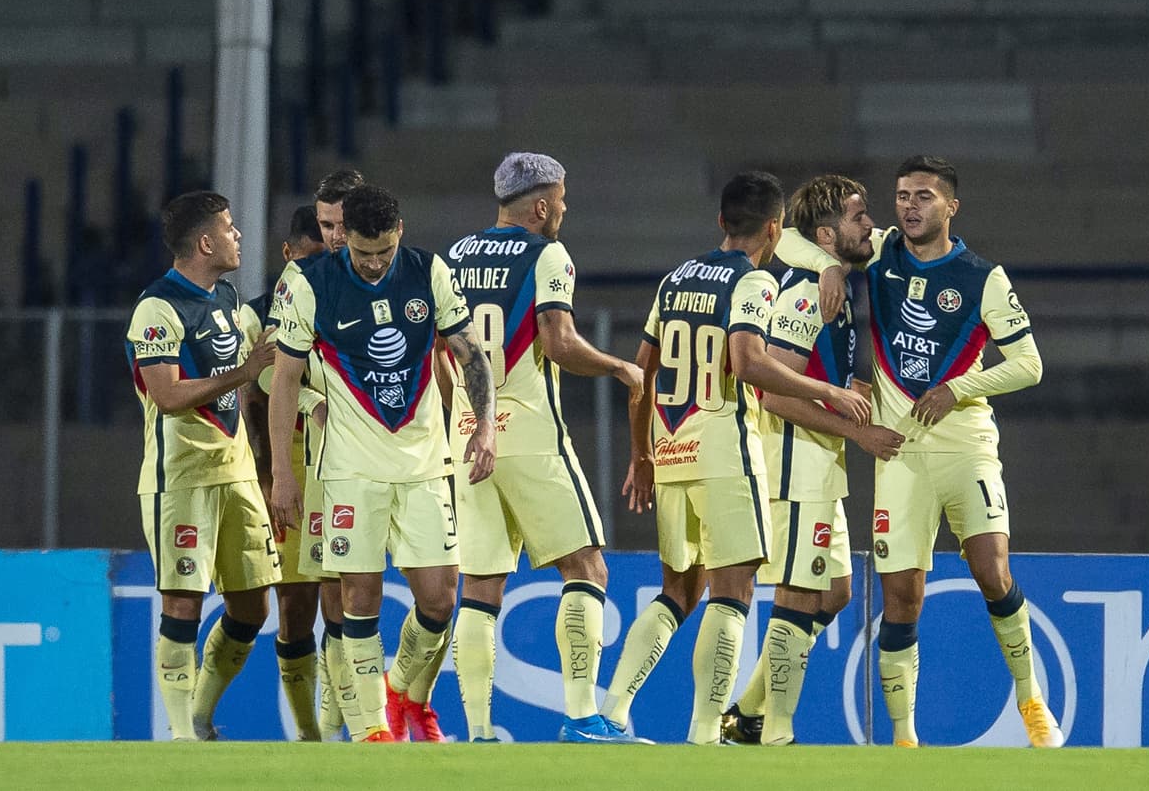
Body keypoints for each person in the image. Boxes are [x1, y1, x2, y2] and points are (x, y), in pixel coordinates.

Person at [775, 155, 1059, 747]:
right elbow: (792, 238)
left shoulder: (985, 277)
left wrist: (959, 387)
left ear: (951, 206)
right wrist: (829, 264)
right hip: (898, 453)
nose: (909, 205)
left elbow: (1029, 364)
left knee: (991, 569)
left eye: (924, 196)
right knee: (901, 597)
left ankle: (1031, 699)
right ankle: (905, 740)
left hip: (966, 446)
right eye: (902, 195)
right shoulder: (878, 253)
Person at [602, 172, 871, 744]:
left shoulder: (674, 280)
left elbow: (641, 371)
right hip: (724, 449)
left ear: (721, 222)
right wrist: (831, 392)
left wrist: (641, 453)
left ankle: (612, 712)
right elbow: (749, 364)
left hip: (672, 448)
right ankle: (706, 734)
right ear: (774, 229)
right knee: (733, 590)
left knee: (678, 590)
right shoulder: (753, 284)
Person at [267, 183, 498, 744]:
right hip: (351, 468)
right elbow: (284, 380)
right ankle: (374, 731)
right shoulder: (312, 284)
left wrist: (485, 425)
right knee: (357, 597)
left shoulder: (428, 273)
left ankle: (398, 686)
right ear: (346, 238)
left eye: (383, 253)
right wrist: (282, 472)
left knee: (441, 600)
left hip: (423, 462)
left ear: (400, 235)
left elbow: (471, 356)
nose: (373, 265)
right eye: (363, 253)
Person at [441, 152, 647, 744]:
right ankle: (582, 717)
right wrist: (617, 368)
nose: (563, 208)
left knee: (480, 586)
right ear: (538, 205)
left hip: (467, 435)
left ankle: (478, 733)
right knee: (586, 567)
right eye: (560, 199)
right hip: (529, 432)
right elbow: (557, 341)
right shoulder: (547, 254)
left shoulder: (454, 257)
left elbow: (441, 353)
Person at [720, 175, 905, 745]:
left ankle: (747, 714)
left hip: (819, 468)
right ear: (826, 233)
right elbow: (776, 392)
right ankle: (776, 732)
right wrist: (860, 433)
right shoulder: (806, 291)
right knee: (799, 592)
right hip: (794, 462)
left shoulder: (835, 284)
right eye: (857, 216)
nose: (869, 224)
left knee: (835, 594)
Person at [124, 190, 281, 741]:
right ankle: (181, 737)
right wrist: (244, 372)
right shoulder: (157, 308)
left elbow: (263, 376)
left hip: (237, 476)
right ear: (206, 241)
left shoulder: (231, 301)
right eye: (231, 228)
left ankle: (199, 712)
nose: (239, 236)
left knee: (253, 607)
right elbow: (167, 395)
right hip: (182, 478)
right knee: (183, 601)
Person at [240, 204, 329, 740]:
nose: (319, 266)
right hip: (288, 462)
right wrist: (271, 471)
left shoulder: (342, 301)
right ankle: (309, 734)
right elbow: (252, 396)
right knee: (295, 606)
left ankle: (346, 731)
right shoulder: (257, 315)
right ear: (289, 253)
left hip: (342, 466)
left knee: (345, 603)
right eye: (310, 256)